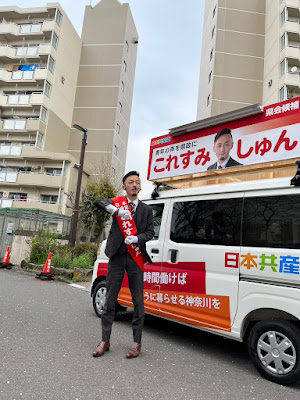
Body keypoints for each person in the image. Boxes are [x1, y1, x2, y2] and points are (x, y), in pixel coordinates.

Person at [92, 171, 154, 359]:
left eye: (137, 182)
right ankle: (105, 340)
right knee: (110, 299)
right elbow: (98, 201)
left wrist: (138, 238)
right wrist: (115, 210)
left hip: (135, 258)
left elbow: (150, 232)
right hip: (117, 256)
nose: (134, 185)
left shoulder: (146, 210)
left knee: (138, 301)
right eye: (130, 182)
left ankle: (136, 343)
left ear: (140, 186)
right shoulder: (117, 203)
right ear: (124, 187)